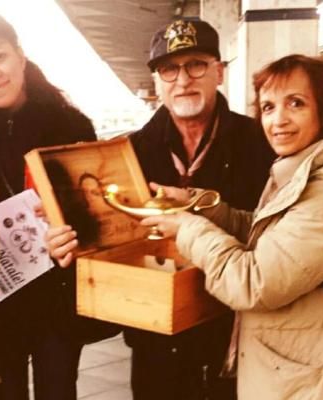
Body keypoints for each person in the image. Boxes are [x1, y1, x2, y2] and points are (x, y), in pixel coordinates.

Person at [140, 54, 323, 399]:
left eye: (296, 103)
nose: (278, 120)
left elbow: (251, 281)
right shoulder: (310, 170)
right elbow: (267, 234)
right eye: (268, 107)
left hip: (315, 385)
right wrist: (197, 204)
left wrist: (186, 227)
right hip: (304, 372)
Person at [47, 18, 275, 400]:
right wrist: (70, 245)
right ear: (156, 82)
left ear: (219, 72)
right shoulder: (131, 153)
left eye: (196, 65)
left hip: (236, 338)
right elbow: (112, 239)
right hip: (155, 343)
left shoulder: (260, 143)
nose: (182, 80)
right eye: (169, 69)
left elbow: (275, 237)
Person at [0, 13, 98, 400]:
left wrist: (71, 222)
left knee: (57, 389)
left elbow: (96, 210)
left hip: (56, 295)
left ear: (20, 55)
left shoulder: (71, 125)